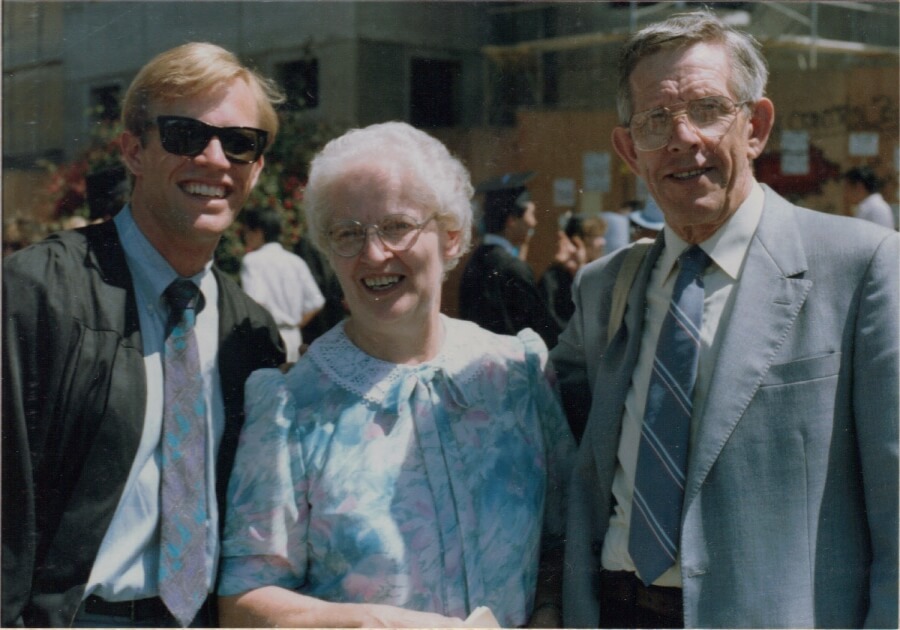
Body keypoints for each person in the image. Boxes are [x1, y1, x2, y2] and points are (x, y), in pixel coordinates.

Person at [555, 11, 897, 628]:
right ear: (630, 150)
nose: (683, 137)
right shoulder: (604, 288)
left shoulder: (860, 266)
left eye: (708, 109)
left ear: (756, 126)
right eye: (656, 120)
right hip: (616, 610)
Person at [216, 122, 575, 628]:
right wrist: (376, 625)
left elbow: (563, 538)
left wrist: (547, 611)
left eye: (397, 226)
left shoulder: (516, 371)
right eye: (348, 234)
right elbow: (244, 603)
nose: (374, 254)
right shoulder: (291, 406)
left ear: (450, 237)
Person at [2, 42, 287, 627]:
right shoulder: (36, 294)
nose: (214, 159)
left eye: (239, 143)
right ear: (133, 150)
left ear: (256, 169)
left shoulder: (251, 333)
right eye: (185, 135)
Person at [458, 171, 561, 348]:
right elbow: (542, 328)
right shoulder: (512, 268)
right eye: (531, 214)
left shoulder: (477, 260)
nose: (534, 222)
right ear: (512, 220)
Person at [240, 206, 325, 361]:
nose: (245, 237)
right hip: (294, 337)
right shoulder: (295, 261)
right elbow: (316, 301)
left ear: (258, 232)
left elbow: (254, 302)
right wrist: (295, 324)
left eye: (246, 232)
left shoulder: (252, 261)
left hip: (267, 338)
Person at [539, 214, 608, 330]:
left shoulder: (598, 272)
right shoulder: (554, 279)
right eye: (596, 236)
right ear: (577, 242)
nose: (603, 242)